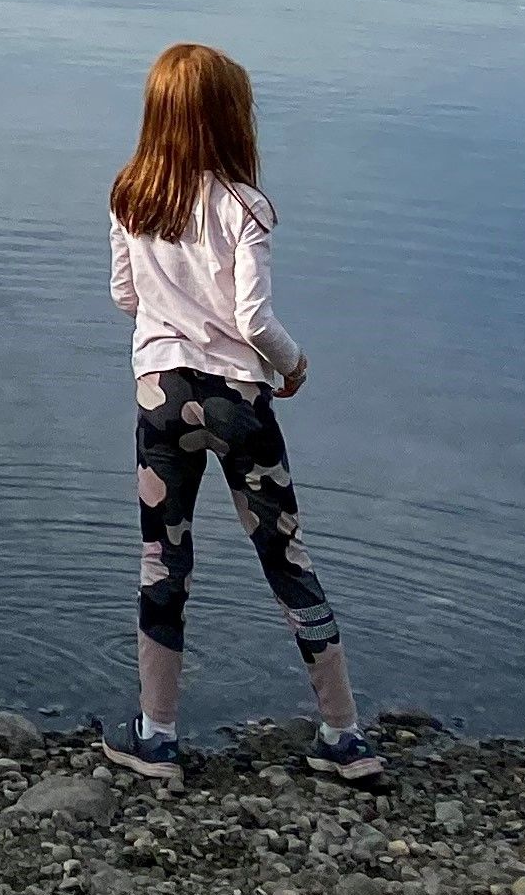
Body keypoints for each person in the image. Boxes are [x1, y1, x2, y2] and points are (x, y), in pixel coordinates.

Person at [104, 41, 380, 786]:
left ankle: (156, 736)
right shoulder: (244, 207)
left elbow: (124, 298)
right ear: (231, 118)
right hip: (236, 399)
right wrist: (293, 365)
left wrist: (170, 308)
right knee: (285, 554)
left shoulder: (130, 194)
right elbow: (253, 319)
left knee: (164, 559)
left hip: (160, 395)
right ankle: (344, 735)